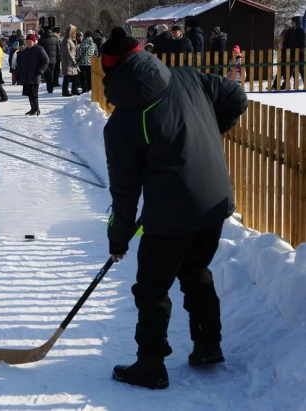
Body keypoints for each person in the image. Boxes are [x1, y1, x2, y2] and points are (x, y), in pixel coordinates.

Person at [100, 27, 247, 390]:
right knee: (196, 269)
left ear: (110, 70)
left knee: (152, 288)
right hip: (214, 201)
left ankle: (151, 364)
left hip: (171, 213)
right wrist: (211, 132)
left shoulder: (121, 123)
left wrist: (118, 239)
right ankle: (208, 345)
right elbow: (237, 96)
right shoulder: (187, 78)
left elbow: (125, 192)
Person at [16, 33, 49, 116]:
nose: (28, 43)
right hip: (26, 75)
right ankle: (32, 108)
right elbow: (20, 64)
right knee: (29, 93)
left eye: (30, 41)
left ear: (34, 42)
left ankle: (37, 109)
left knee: (34, 93)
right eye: (27, 41)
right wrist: (19, 74)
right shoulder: (24, 51)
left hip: (35, 75)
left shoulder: (39, 49)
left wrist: (40, 71)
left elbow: (46, 60)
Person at [38, 26, 60, 93]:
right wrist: (58, 57)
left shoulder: (41, 39)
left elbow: (39, 50)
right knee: (52, 73)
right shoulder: (55, 39)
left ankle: (49, 87)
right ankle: (51, 87)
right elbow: (58, 50)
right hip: (53, 60)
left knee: (47, 74)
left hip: (44, 60)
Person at [61, 24, 80, 96]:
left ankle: (74, 90)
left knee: (75, 75)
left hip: (72, 61)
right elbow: (67, 52)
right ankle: (65, 91)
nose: (75, 34)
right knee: (67, 76)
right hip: (68, 61)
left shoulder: (71, 40)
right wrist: (73, 60)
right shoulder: (66, 40)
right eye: (74, 32)